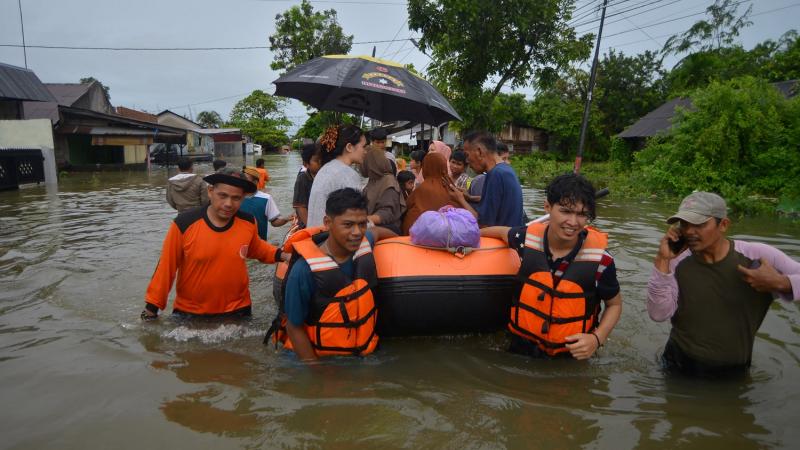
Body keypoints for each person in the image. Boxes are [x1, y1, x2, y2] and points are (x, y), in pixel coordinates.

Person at [647, 191, 800, 376]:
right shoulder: (677, 260)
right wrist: (662, 260)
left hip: (733, 372)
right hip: (677, 365)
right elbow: (658, 314)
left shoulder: (757, 257)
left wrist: (781, 283)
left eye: (699, 224)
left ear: (724, 224)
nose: (688, 231)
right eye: (684, 224)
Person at [481, 173, 622, 360]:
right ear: (547, 207)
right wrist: (470, 237)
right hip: (521, 349)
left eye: (581, 214)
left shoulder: (601, 262)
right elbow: (500, 232)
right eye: (565, 211)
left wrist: (597, 339)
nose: (573, 222)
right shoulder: (525, 240)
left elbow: (615, 304)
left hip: (571, 357)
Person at [142, 167, 286, 320]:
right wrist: (152, 307)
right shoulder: (184, 223)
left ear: (243, 198)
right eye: (222, 196)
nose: (228, 204)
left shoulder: (248, 222)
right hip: (191, 313)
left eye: (236, 198)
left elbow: (257, 248)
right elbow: (166, 267)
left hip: (238, 310)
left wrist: (285, 255)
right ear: (210, 191)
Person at [279, 188, 396, 360]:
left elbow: (377, 232)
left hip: (362, 349)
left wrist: (402, 238)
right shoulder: (303, 271)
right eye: (348, 225)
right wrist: (316, 370)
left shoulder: (363, 244)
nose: (357, 232)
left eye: (362, 224)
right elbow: (293, 327)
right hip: (319, 357)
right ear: (328, 223)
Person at [447, 131, 524, 227]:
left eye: (467, 155)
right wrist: (470, 198)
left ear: (479, 152)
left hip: (499, 240)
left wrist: (460, 199)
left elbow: (483, 224)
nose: (466, 161)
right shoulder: (505, 170)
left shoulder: (495, 175)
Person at [306, 125, 368, 228]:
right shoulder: (348, 174)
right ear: (349, 147)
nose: (365, 151)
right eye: (363, 147)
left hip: (314, 235)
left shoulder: (326, 168)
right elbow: (357, 215)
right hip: (328, 237)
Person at [401, 152, 455, 235]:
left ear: (426, 168)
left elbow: (406, 205)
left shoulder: (422, 188)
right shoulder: (451, 185)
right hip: (448, 235)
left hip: (419, 234)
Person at [240, 167, 293, 240]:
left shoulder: (266, 198)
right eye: (241, 179)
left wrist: (286, 219)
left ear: (255, 182)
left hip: (259, 243)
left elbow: (274, 222)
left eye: (246, 179)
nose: (242, 182)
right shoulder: (236, 196)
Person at [362, 148, 405, 234]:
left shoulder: (388, 182)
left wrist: (363, 220)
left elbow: (387, 213)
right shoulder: (374, 179)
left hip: (385, 231)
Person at [292, 143, 322, 228]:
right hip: (307, 224)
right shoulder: (302, 179)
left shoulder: (326, 176)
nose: (321, 163)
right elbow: (300, 207)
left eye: (322, 160)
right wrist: (311, 228)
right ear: (306, 164)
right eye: (316, 161)